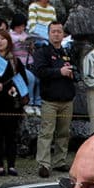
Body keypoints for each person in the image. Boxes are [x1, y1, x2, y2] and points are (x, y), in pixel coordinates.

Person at [34, 21, 77, 178]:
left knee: (64, 133)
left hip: (67, 99)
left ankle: (60, 161)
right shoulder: (42, 51)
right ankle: (44, 164)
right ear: (48, 33)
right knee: (46, 132)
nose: (57, 34)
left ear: (63, 34)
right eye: (53, 31)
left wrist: (73, 74)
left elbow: (76, 69)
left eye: (59, 31)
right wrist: (59, 71)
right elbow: (40, 71)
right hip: (50, 100)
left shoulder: (68, 51)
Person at [0, 28, 28, 176]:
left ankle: (11, 164)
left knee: (11, 135)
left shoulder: (14, 60)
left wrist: (13, 88)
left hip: (12, 104)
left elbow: (23, 80)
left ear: (8, 41)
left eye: (2, 39)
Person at [10, 14, 42, 116]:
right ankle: (28, 102)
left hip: (29, 63)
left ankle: (37, 103)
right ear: (14, 25)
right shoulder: (10, 35)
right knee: (31, 79)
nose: (21, 28)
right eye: (19, 26)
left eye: (23, 26)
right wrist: (18, 42)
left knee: (39, 79)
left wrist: (30, 46)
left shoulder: (25, 34)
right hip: (18, 65)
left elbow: (31, 51)